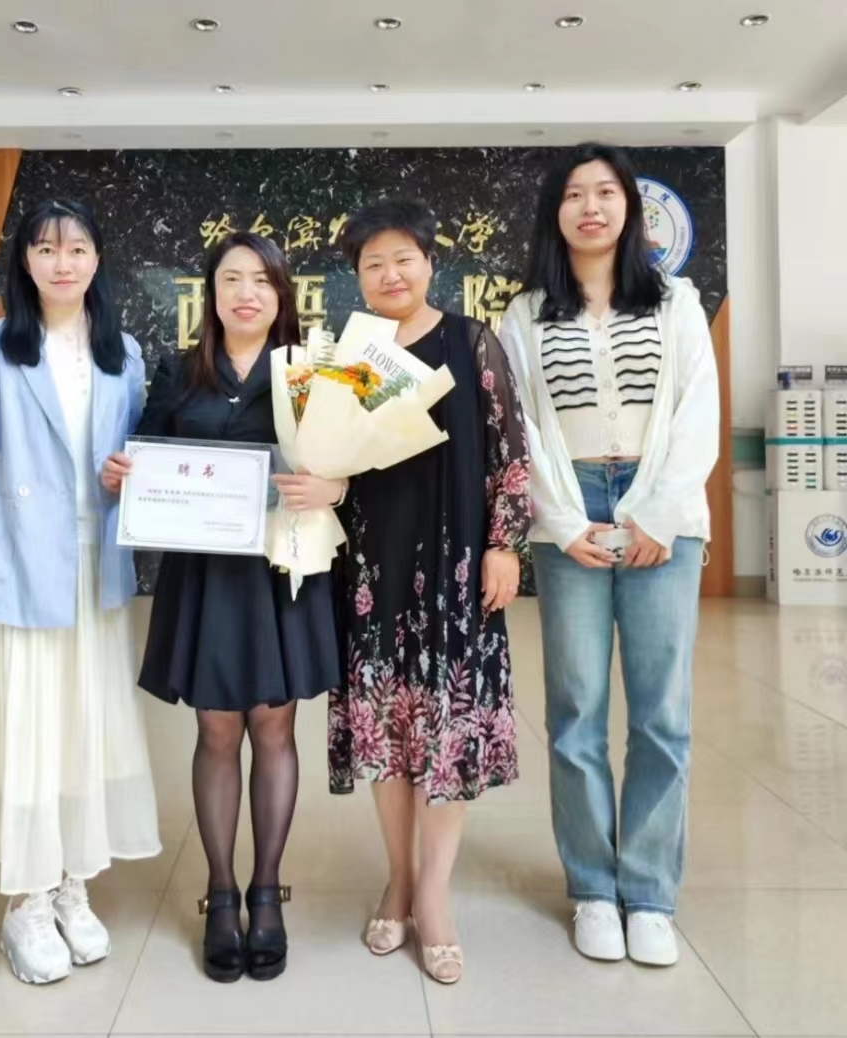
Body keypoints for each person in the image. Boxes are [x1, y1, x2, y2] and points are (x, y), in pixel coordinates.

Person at [499, 143, 719, 967]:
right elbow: (519, 426)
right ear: (554, 213)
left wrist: (659, 510)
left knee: (662, 713)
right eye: (573, 194)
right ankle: (593, 887)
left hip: (665, 510)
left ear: (630, 206)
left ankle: (650, 893)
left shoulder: (675, 301)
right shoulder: (525, 315)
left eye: (605, 192)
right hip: (572, 512)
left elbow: (698, 409)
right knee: (576, 710)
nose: (590, 207)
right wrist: (560, 522)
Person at [101, 231, 343, 983]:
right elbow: (145, 454)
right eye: (231, 279)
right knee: (215, 729)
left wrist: (335, 486)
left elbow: (356, 461)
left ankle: (266, 892)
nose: (246, 293)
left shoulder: (314, 372)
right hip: (205, 574)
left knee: (273, 726)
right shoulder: (180, 371)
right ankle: (220, 891)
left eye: (262, 281)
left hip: (280, 570)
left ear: (282, 295)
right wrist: (122, 474)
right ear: (211, 294)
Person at [0, 198, 160, 985]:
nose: (61, 263)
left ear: (97, 259)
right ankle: (26, 901)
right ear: (25, 262)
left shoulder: (121, 352)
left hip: (94, 566)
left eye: (75, 249)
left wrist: (130, 471)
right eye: (45, 249)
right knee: (26, 726)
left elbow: (139, 455)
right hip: (18, 561)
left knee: (81, 726)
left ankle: (72, 883)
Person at [327, 200, 532, 985]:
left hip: (456, 563)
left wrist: (504, 543)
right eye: (373, 264)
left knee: (445, 731)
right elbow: (331, 453)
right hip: (374, 566)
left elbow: (509, 447)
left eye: (403, 259)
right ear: (357, 277)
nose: (390, 274)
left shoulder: (471, 340)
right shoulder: (355, 355)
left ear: (428, 263)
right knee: (388, 733)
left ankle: (435, 896)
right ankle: (399, 880)